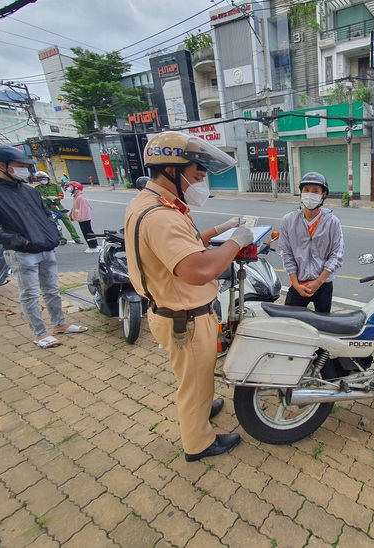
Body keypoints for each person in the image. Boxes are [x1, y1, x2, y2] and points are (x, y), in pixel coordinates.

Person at [124, 131, 253, 463]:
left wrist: (219, 230)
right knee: (193, 382)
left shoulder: (151, 202)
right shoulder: (162, 216)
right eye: (197, 175)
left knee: (196, 374)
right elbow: (197, 269)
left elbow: (189, 242)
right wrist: (236, 241)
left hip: (175, 312)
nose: (201, 183)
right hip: (186, 319)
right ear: (171, 171)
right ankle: (198, 443)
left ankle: (203, 408)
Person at [0, 145, 88, 349]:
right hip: (22, 252)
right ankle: (40, 333)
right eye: (19, 165)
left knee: (52, 289)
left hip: (45, 247)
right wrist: (18, 241)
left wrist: (52, 232)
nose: (24, 169)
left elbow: (46, 214)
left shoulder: (29, 191)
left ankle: (60, 324)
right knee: (29, 293)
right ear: (1, 166)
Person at [279, 172, 344, 313]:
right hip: (298, 283)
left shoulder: (332, 222)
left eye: (315, 191)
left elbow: (337, 254)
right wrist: (295, 283)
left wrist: (318, 282)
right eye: (306, 190)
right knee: (289, 322)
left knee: (323, 325)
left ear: (323, 195)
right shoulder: (288, 221)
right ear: (301, 193)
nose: (310, 194)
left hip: (323, 284)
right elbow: (286, 253)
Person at [34, 170, 83, 245]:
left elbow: (61, 195)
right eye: (40, 179)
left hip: (58, 206)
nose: (42, 180)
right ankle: (62, 239)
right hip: (48, 208)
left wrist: (55, 197)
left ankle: (76, 238)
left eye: (44, 179)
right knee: (55, 224)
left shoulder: (55, 185)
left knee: (67, 222)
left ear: (47, 178)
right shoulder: (37, 188)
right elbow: (36, 198)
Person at [68, 181, 100, 253]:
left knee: (87, 233)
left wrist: (79, 218)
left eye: (71, 186)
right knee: (88, 232)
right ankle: (94, 245)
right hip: (82, 218)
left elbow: (83, 210)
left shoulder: (80, 198)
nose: (69, 188)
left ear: (76, 188)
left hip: (83, 219)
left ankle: (93, 247)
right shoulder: (76, 197)